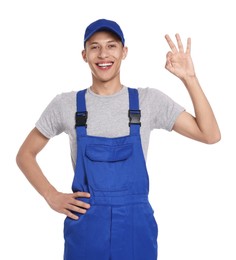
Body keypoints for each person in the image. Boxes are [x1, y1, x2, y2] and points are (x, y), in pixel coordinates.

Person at [16, 18, 221, 260]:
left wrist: (190, 78)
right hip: (86, 229)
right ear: (84, 55)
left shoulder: (149, 101)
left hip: (136, 228)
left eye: (111, 46)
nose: (103, 54)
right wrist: (51, 195)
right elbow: (25, 154)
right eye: (95, 47)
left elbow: (210, 134)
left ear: (124, 52)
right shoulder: (66, 105)